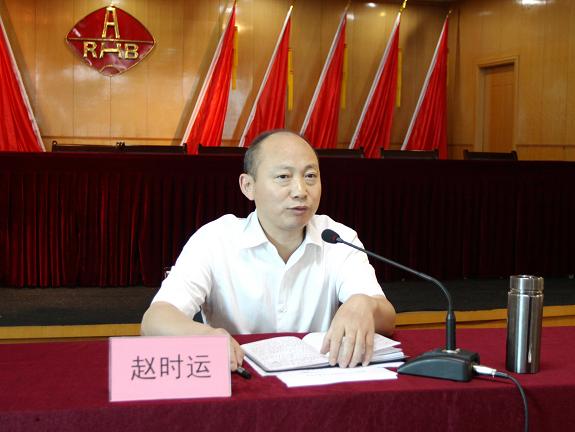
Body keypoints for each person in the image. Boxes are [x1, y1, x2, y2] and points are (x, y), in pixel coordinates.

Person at [141, 130, 396, 371]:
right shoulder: (215, 240)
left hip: (317, 381)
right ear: (248, 186)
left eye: (310, 176)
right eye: (283, 177)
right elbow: (155, 319)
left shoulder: (337, 238)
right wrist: (204, 336)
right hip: (241, 379)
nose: (300, 191)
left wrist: (365, 305)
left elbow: (387, 318)